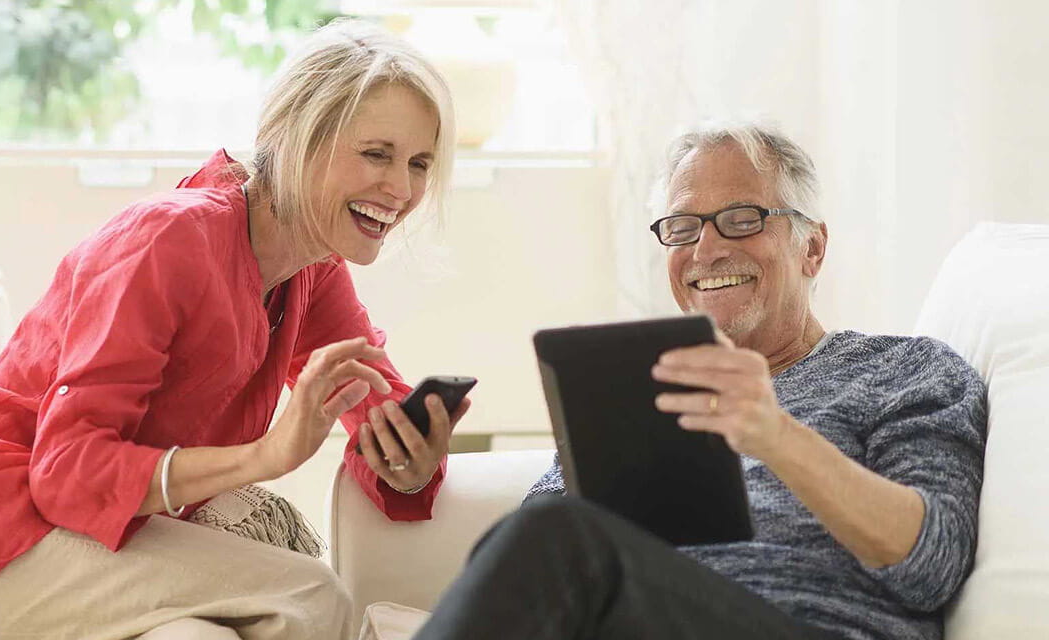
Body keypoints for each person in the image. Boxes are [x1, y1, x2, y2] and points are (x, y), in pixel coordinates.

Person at [0, 19, 468, 640]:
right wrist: (263, 457)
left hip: (110, 541)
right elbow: (66, 471)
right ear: (296, 136)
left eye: (418, 163)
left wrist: (407, 457)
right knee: (311, 593)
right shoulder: (169, 241)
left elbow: (377, 410)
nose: (403, 188)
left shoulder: (312, 270)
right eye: (376, 154)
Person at [411, 123, 987, 640]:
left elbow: (933, 565)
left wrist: (775, 435)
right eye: (683, 228)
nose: (706, 250)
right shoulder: (638, 385)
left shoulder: (905, 370)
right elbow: (532, 574)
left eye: (742, 220)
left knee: (558, 536)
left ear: (811, 248)